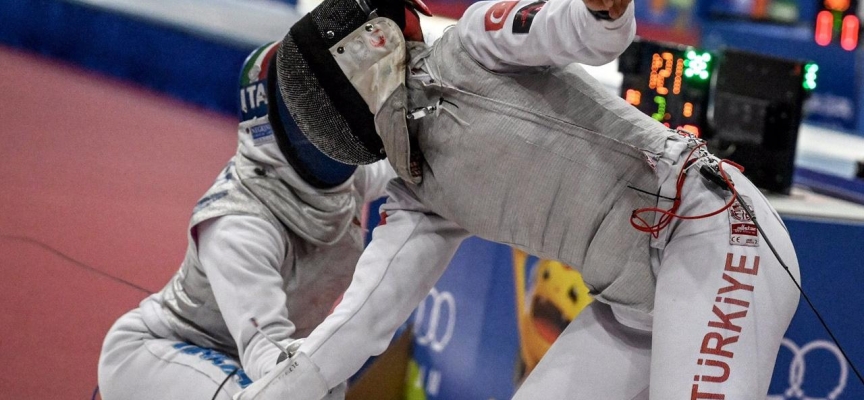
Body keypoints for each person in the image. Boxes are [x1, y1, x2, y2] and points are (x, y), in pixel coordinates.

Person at [235, 0, 802, 398]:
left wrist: (599, 11)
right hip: (636, 310)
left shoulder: (473, 44)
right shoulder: (419, 194)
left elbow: (581, 31)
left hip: (714, 234)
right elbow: (359, 324)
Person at [96, 41, 396, 400]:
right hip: (161, 356)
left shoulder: (346, 181)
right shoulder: (240, 224)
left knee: (322, 385)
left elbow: (411, 168)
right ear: (272, 120)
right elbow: (264, 352)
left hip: (247, 362)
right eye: (306, 111)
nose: (325, 124)